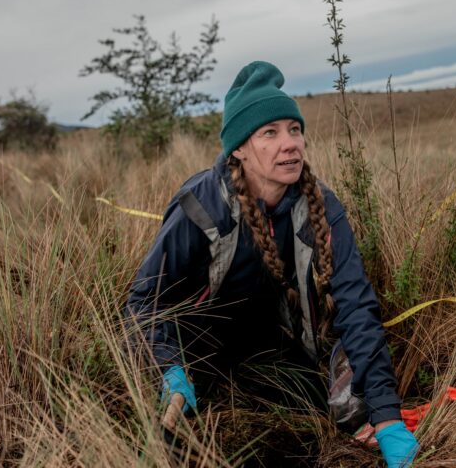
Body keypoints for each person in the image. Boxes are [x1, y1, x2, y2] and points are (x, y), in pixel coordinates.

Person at [124, 61, 419, 467]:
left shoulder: (321, 205)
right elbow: (143, 302)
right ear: (239, 149)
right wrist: (167, 365)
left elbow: (355, 304)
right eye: (270, 133)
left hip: (273, 348)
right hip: (197, 351)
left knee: (329, 416)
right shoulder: (199, 206)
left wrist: (388, 418)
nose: (291, 143)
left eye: (294, 130)